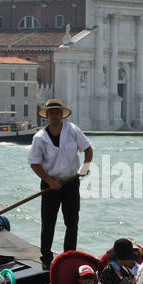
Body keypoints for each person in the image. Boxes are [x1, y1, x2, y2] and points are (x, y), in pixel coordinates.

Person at [28, 98, 93, 267]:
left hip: (71, 183)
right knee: (48, 223)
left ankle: (69, 257)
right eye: (52, 112)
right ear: (47, 115)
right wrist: (50, 181)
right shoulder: (39, 137)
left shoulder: (72, 130)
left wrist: (85, 167)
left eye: (57, 112)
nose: (55, 115)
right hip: (50, 185)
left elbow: (88, 149)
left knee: (72, 223)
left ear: (61, 114)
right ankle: (46, 259)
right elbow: (34, 163)